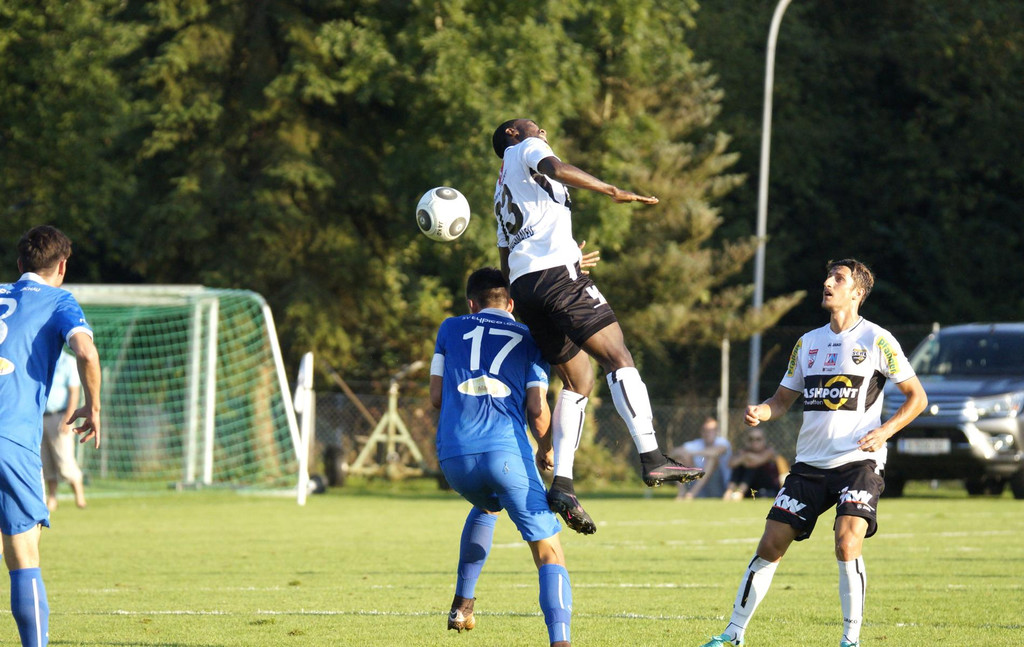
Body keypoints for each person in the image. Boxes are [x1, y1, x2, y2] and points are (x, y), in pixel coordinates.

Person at [698, 259, 927, 647]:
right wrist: (762, 411)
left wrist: (884, 432)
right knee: (771, 543)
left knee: (846, 540)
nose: (827, 283)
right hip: (809, 466)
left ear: (857, 292)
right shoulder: (808, 343)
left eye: (838, 279)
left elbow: (917, 398)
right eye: (828, 277)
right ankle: (733, 634)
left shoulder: (877, 339)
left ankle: (850, 640)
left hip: (858, 462)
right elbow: (783, 400)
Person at [491, 118, 703, 535]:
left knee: (579, 380)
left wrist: (540, 279)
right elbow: (555, 167)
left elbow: (508, 250)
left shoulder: (501, 188)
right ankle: (652, 455)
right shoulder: (524, 150)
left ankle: (564, 484)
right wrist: (611, 190)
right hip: (556, 279)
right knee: (617, 356)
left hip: (528, 286)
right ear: (512, 135)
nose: (540, 128)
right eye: (530, 124)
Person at [430, 267, 572, 647]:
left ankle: (462, 604)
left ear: (471, 304)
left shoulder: (449, 328)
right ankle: (561, 641)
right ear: (511, 304)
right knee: (549, 551)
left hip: (454, 459)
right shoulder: (529, 336)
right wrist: (546, 448)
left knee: (488, 506)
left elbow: (435, 397)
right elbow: (537, 409)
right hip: (506, 454)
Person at [0, 225, 102, 647]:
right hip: (11, 437)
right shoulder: (60, 299)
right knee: (24, 558)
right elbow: (85, 351)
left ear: (20, 264)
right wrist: (94, 407)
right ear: (62, 266)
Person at [42, 350, 87, 511]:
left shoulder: (68, 362)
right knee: (46, 461)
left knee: (64, 460)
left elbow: (74, 391)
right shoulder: (42, 358)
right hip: (40, 416)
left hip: (59, 416)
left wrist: (69, 419)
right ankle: (52, 498)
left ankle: (79, 495)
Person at [673, 417, 732, 500]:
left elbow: (714, 452)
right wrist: (687, 458)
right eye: (705, 430)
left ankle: (691, 494)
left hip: (718, 485)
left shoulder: (722, 442)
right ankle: (682, 493)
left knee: (711, 459)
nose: (708, 433)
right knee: (679, 461)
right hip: (696, 481)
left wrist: (691, 453)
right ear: (701, 431)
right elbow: (674, 452)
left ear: (716, 432)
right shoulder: (696, 443)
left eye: (711, 430)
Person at [721, 429, 781, 500]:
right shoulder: (745, 452)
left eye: (758, 439)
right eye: (751, 439)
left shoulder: (769, 451)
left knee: (751, 466)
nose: (754, 442)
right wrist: (744, 458)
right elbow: (730, 464)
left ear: (764, 440)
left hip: (767, 489)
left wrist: (745, 457)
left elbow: (758, 460)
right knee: (739, 467)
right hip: (751, 489)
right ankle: (729, 492)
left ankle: (739, 493)